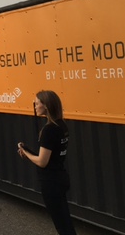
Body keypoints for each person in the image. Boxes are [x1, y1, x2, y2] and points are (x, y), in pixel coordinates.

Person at [17, 90, 76, 235]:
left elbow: (42, 162)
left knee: (62, 226)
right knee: (65, 221)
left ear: (46, 106)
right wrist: (28, 151)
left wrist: (26, 153)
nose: (35, 107)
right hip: (60, 177)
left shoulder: (49, 130)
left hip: (51, 182)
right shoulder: (61, 125)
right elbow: (51, 155)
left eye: (37, 103)